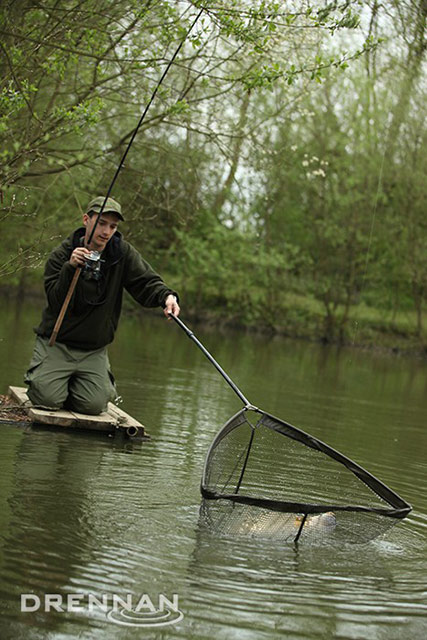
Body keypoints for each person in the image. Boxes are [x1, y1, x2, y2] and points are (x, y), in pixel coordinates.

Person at [25, 196, 180, 415]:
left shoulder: (122, 253)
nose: (107, 232)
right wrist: (70, 268)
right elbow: (55, 300)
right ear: (86, 220)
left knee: (94, 406)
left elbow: (146, 282)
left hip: (94, 350)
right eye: (101, 223)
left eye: (113, 226)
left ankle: (76, 385)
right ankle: (55, 382)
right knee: (47, 400)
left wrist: (167, 297)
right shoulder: (61, 255)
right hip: (57, 343)